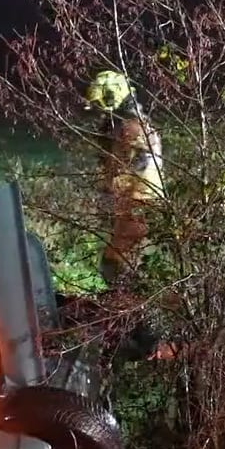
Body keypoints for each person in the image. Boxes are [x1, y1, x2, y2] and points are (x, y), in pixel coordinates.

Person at [83, 70, 165, 287]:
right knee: (127, 266)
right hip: (142, 205)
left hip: (138, 206)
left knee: (114, 266)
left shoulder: (129, 129)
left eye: (101, 107)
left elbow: (118, 172)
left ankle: (134, 311)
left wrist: (107, 197)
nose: (100, 114)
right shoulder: (140, 124)